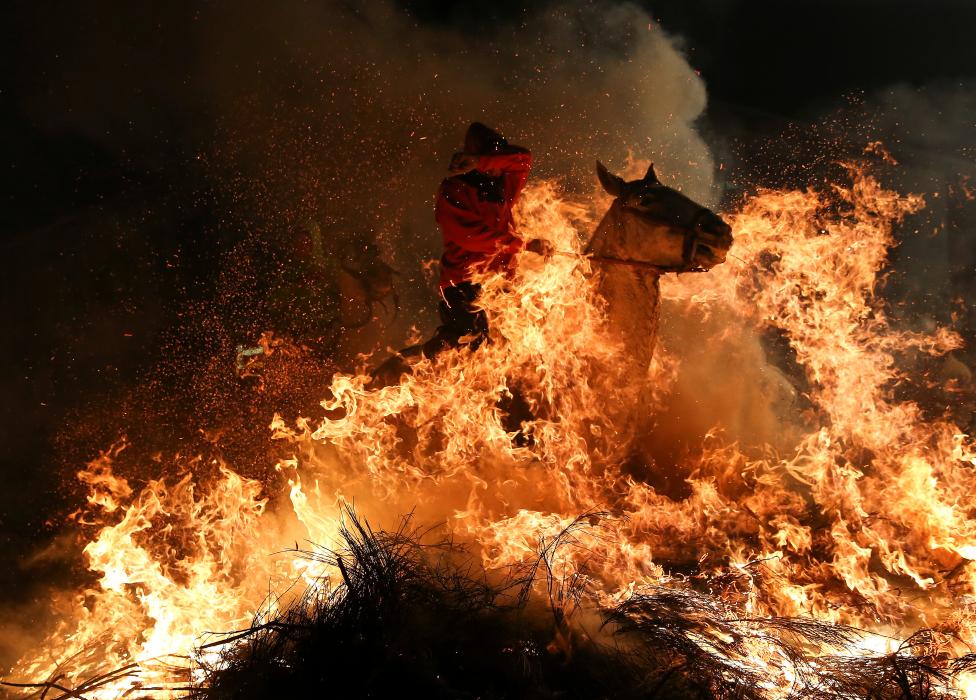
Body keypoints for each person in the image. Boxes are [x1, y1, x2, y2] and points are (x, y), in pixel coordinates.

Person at [370, 122, 549, 385]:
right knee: (469, 342)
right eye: (492, 156)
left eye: (498, 157)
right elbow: (471, 237)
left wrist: (481, 161)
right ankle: (413, 374)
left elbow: (524, 158)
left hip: (501, 284)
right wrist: (522, 244)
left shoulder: (503, 185)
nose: (499, 165)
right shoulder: (453, 189)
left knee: (518, 345)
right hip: (464, 283)